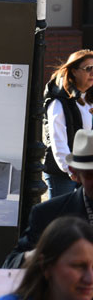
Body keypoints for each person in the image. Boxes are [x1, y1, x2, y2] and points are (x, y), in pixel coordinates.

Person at [5, 128, 93, 268]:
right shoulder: (49, 214)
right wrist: (41, 255)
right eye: (91, 175)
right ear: (75, 173)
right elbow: (11, 265)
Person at [44, 49, 93, 198]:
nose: (92, 73)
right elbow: (57, 138)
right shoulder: (59, 101)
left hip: (86, 170)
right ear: (73, 71)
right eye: (88, 68)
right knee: (61, 215)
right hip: (64, 173)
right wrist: (70, 169)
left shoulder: (89, 99)